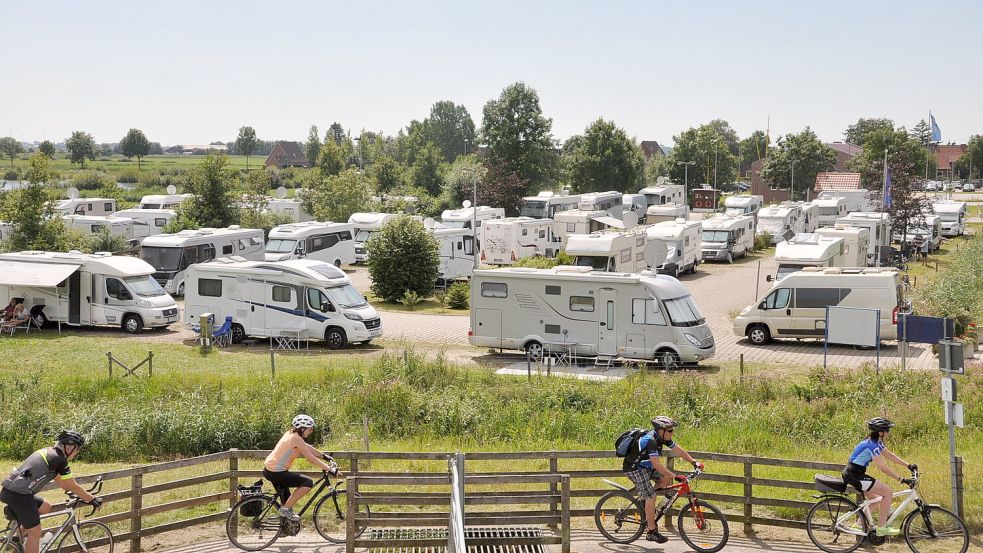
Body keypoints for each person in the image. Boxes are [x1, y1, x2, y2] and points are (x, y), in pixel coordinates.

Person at [0, 431, 101, 553]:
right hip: (19, 495)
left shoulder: (50, 453)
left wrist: (74, 492)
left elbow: (62, 483)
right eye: (77, 448)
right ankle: (24, 538)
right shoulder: (59, 460)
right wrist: (92, 499)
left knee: (46, 507)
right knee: (35, 533)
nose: (77, 452)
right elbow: (72, 485)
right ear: (68, 446)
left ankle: (18, 537)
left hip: (11, 490)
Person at [623, 416, 704, 544]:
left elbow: (678, 450)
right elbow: (657, 465)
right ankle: (651, 531)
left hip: (646, 467)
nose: (672, 432)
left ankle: (645, 502)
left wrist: (694, 462)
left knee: (664, 478)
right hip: (635, 469)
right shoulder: (651, 441)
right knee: (651, 497)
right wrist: (675, 476)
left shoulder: (661, 438)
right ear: (661, 431)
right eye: (670, 430)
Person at [842, 417, 917, 537]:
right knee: (887, 493)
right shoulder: (872, 445)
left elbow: (889, 455)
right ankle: (881, 528)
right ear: (881, 433)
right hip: (854, 475)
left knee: (875, 500)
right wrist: (901, 479)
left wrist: (908, 465)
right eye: (887, 430)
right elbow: (882, 466)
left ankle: (858, 525)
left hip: (854, 473)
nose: (889, 433)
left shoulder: (875, 442)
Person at [263, 414, 342, 522]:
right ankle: (285, 510)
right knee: (307, 482)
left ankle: (284, 527)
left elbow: (306, 447)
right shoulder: (296, 439)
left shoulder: (292, 434)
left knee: (287, 500)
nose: (311, 431)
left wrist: (324, 456)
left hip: (270, 470)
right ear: (302, 428)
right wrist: (330, 469)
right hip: (276, 472)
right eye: (310, 429)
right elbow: (311, 459)